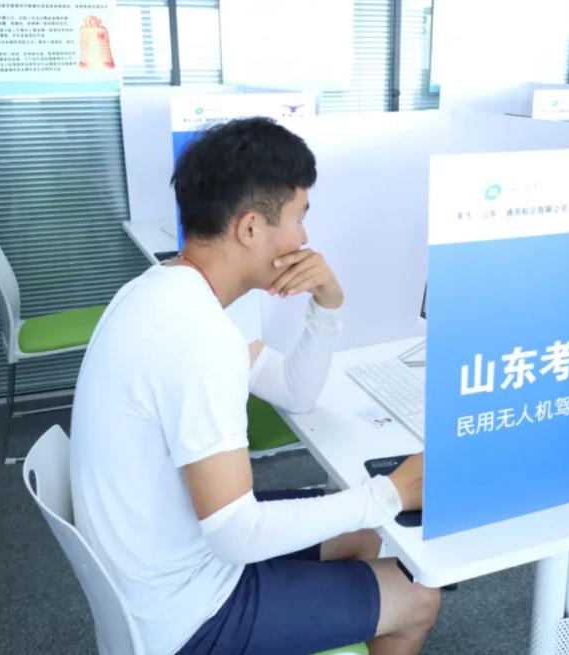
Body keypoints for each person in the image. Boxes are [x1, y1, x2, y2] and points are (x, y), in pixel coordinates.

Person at [70, 117, 439, 655]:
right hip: (186, 615)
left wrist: (328, 305)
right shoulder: (197, 338)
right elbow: (235, 533)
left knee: (363, 531)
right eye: (299, 217)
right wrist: (390, 494)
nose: (304, 238)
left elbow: (294, 392)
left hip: (164, 561)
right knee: (420, 597)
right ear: (249, 229)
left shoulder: (166, 292)